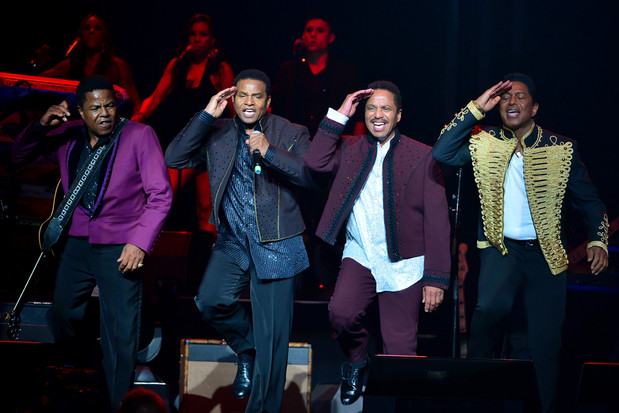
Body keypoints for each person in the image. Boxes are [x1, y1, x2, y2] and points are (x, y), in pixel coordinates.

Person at [432, 73, 609, 413]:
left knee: (545, 345)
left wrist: (598, 240)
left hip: (546, 256)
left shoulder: (561, 147)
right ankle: (475, 399)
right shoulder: (483, 140)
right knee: (489, 311)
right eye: (505, 97)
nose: (511, 102)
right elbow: (442, 151)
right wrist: (476, 107)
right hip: (502, 250)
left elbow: (592, 203)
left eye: (520, 97)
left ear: (535, 108)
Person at [11, 75, 173, 412]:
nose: (105, 113)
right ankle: (85, 372)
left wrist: (140, 243)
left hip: (122, 244)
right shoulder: (68, 135)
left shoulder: (138, 135)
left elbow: (160, 195)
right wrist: (40, 125)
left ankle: (118, 404)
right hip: (77, 242)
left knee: (120, 333)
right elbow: (18, 155)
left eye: (110, 105)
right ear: (81, 112)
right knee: (63, 312)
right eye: (96, 108)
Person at [165, 69, 314, 413]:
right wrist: (206, 115)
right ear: (232, 99)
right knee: (210, 301)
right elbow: (174, 158)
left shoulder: (291, 132)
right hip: (233, 239)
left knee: (272, 339)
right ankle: (246, 348)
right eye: (242, 95)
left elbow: (310, 175)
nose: (249, 102)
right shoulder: (216, 131)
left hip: (277, 242)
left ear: (268, 101)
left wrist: (270, 152)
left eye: (256, 96)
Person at [305, 81, 452, 405]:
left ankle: (397, 404)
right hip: (361, 252)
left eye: (385, 108)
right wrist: (340, 114)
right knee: (341, 315)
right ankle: (357, 362)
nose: (377, 114)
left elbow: (438, 220)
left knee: (400, 351)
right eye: (371, 108)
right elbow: (314, 162)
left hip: (405, 261)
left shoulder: (422, 155)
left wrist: (436, 278)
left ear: (398, 115)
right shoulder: (350, 147)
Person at [132, 13, 235, 290]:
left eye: (203, 34)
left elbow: (233, 107)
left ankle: (198, 281)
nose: (197, 39)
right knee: (162, 195)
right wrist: (138, 117)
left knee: (206, 210)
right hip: (183, 144)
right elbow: (157, 96)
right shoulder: (178, 65)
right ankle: (137, 259)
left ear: (212, 40)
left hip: (212, 144)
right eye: (193, 34)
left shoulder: (219, 68)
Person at [271, 11, 363, 297]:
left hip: (333, 153)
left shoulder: (345, 71)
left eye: (319, 30)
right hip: (292, 152)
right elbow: (275, 111)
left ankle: (330, 277)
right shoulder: (289, 70)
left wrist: (358, 152)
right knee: (298, 213)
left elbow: (357, 116)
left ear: (331, 37)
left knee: (329, 213)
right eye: (308, 29)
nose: (312, 34)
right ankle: (300, 279)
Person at [40, 14, 142, 116]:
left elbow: (136, 103)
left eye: (97, 29)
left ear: (104, 36)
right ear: (81, 35)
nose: (91, 31)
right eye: (87, 28)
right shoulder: (70, 65)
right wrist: (38, 64)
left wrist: (135, 123)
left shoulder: (117, 66)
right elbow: (37, 81)